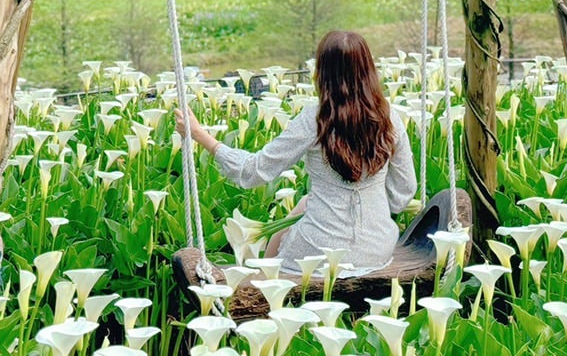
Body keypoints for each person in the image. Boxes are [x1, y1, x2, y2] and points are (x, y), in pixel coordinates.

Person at [174, 30, 417, 274]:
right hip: (376, 251)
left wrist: (200, 135)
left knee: (290, 232)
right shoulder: (391, 118)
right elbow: (403, 193)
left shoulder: (315, 119)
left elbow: (253, 172)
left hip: (316, 252)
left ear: (322, 73)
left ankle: (265, 288)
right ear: (368, 71)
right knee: (304, 203)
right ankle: (265, 283)